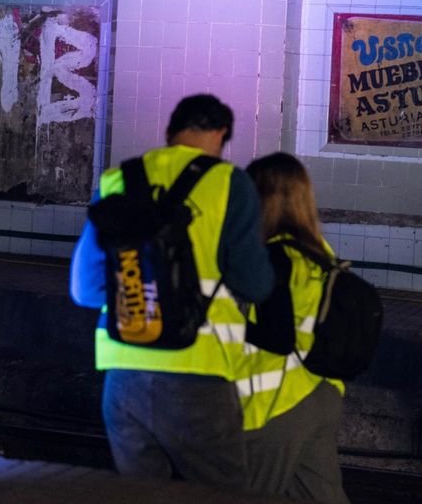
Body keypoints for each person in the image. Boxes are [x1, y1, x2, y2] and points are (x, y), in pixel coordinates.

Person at [69, 94, 273, 487]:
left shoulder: (117, 180)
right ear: (221, 133)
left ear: (170, 133)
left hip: (123, 374)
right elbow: (255, 284)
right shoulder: (231, 183)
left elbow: (85, 289)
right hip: (197, 373)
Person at [237, 152, 349, 504]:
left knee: (242, 494)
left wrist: (226, 325)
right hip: (323, 394)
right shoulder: (320, 253)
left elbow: (278, 336)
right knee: (320, 495)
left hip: (279, 404)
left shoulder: (271, 257)